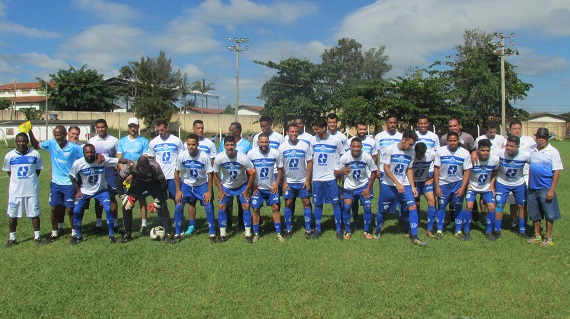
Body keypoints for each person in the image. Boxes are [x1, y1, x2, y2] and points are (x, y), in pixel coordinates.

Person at [69, 144, 131, 245]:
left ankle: (111, 235)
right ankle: (78, 236)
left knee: (107, 209)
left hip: (101, 190)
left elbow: (117, 160)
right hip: (85, 191)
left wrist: (128, 161)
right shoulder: (78, 163)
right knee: (76, 211)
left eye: (91, 152)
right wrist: (78, 191)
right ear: (83, 153)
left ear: (95, 152)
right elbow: (72, 176)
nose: (89, 154)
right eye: (87, 152)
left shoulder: (102, 160)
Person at [29, 125, 83, 242]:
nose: (57, 138)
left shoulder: (74, 148)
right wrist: (29, 131)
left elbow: (88, 155)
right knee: (54, 208)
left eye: (59, 135)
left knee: (69, 209)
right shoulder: (52, 144)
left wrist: (98, 156)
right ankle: (54, 233)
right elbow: (36, 145)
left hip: (69, 183)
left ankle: (74, 233)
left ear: (65, 135)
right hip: (55, 183)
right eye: (55, 136)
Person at [376, 130, 426, 246]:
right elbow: (386, 168)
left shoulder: (412, 153)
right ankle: (378, 230)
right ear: (403, 139)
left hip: (405, 184)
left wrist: (413, 187)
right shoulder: (390, 149)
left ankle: (414, 236)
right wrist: (397, 183)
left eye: (413, 144)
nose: (411, 147)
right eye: (409, 144)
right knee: (382, 210)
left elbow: (409, 169)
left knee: (412, 206)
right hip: (389, 184)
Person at [115, 156, 174, 243]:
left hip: (154, 183)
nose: (144, 171)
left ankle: (169, 233)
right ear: (137, 166)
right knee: (126, 206)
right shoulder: (131, 166)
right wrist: (123, 197)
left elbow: (162, 183)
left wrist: (160, 199)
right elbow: (118, 180)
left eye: (146, 168)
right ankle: (127, 233)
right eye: (142, 169)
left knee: (163, 205)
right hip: (138, 183)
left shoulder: (155, 166)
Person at [3, 133, 44, 247]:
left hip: (31, 190)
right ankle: (12, 238)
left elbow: (37, 171)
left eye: (24, 141)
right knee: (12, 215)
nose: (21, 143)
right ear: (16, 142)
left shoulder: (35, 154)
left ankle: (37, 237)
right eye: (19, 141)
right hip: (15, 191)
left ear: (27, 141)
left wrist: (28, 181)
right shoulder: (9, 156)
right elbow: (9, 172)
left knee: (34, 214)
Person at [213, 136, 256, 243]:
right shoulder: (219, 157)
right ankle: (223, 234)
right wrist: (219, 189)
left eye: (232, 145)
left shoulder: (243, 157)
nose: (230, 147)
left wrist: (247, 189)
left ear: (235, 145)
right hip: (226, 186)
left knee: (246, 205)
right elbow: (215, 173)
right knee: (221, 206)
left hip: (241, 185)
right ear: (224, 146)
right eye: (227, 145)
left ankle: (248, 234)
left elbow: (252, 173)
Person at [174, 134, 216, 243]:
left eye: (193, 144)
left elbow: (210, 174)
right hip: (186, 185)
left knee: (208, 206)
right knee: (178, 206)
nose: (191, 147)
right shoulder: (181, 156)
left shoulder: (204, 156)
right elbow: (177, 172)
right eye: (189, 144)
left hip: (201, 184)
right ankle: (177, 233)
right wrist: (178, 190)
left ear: (197, 144)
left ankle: (212, 233)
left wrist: (209, 191)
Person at [334, 137, 378, 239]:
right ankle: (347, 230)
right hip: (349, 186)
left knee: (367, 207)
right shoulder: (345, 157)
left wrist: (368, 188)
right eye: (354, 146)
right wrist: (342, 171)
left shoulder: (366, 156)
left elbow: (374, 172)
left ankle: (366, 230)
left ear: (362, 147)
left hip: (363, 185)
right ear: (350, 147)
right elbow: (336, 171)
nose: (356, 149)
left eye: (358, 146)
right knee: (347, 207)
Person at [527, 128, 563, 247]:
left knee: (549, 213)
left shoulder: (553, 152)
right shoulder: (531, 149)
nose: (540, 140)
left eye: (543, 138)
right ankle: (537, 235)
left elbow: (556, 171)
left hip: (545, 187)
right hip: (532, 186)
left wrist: (552, 190)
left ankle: (548, 237)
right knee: (534, 212)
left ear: (547, 139)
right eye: (538, 137)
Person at [434, 131, 472, 240]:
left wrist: (463, 188)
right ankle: (439, 230)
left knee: (459, 207)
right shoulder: (441, 151)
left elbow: (467, 171)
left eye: (454, 140)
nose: (452, 143)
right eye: (450, 141)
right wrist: (437, 186)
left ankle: (458, 230)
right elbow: (436, 169)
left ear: (458, 141)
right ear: (447, 141)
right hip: (443, 184)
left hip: (458, 184)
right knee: (441, 206)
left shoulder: (464, 153)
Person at [311, 117, 345, 239]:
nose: (315, 131)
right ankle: (318, 229)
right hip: (317, 178)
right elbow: (310, 159)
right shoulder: (313, 141)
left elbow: (343, 156)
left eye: (317, 129)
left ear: (324, 128)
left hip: (331, 178)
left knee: (335, 204)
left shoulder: (335, 141)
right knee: (318, 204)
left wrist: (339, 170)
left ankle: (338, 229)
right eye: (314, 129)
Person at [278, 123, 313, 239]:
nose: (294, 134)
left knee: (306, 202)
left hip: (302, 180)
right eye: (291, 132)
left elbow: (309, 162)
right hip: (289, 181)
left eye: (296, 132)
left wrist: (308, 180)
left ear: (299, 132)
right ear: (287, 133)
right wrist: (284, 181)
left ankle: (308, 228)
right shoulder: (282, 147)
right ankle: (288, 228)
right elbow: (280, 166)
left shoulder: (304, 146)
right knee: (288, 203)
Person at [248, 133, 284, 242]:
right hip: (257, 188)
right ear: (258, 142)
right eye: (262, 142)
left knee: (276, 208)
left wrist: (277, 183)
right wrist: (252, 185)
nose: (264, 144)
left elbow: (280, 169)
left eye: (266, 142)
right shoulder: (251, 154)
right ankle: (256, 233)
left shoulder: (275, 153)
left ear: (269, 142)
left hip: (271, 187)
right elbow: (248, 171)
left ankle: (278, 232)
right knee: (255, 209)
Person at [460, 139, 499, 241]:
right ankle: (467, 230)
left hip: (486, 187)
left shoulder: (494, 159)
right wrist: (467, 183)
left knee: (491, 207)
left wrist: (492, 184)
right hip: (472, 187)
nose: (485, 153)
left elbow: (495, 171)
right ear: (478, 150)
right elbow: (465, 170)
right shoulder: (471, 159)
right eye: (483, 151)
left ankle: (489, 231)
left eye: (487, 151)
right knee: (469, 206)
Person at [116, 117, 150, 235]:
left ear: (138, 127)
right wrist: (125, 174)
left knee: (142, 199)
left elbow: (144, 160)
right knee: (126, 201)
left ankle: (144, 224)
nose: (132, 128)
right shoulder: (122, 141)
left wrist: (134, 174)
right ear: (128, 127)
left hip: (139, 175)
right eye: (130, 126)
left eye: (134, 126)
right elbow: (119, 160)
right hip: (125, 176)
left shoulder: (144, 141)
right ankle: (127, 226)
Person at [183, 120, 217, 236]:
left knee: (208, 203)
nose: (201, 130)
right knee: (191, 204)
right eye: (198, 128)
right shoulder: (186, 144)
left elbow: (213, 162)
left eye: (202, 128)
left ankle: (211, 226)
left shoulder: (209, 143)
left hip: (205, 181)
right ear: (193, 129)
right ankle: (191, 226)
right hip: (190, 181)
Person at [493, 135, 530, 239]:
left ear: (517, 147)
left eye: (512, 146)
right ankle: (497, 230)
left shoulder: (525, 155)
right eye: (507, 145)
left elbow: (535, 164)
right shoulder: (499, 152)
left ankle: (522, 230)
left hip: (519, 184)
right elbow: (487, 157)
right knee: (500, 205)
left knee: (522, 206)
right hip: (502, 183)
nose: (508, 148)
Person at [470, 121, 505, 230]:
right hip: (478, 170)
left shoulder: (501, 139)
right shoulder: (479, 139)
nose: (493, 133)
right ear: (486, 130)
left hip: (491, 168)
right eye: (491, 132)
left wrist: (492, 184)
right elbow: (475, 151)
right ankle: (482, 216)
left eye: (495, 131)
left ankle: (491, 227)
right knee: (475, 200)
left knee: (490, 199)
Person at [218, 122, 252, 231]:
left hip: (242, 179)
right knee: (227, 203)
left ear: (237, 131)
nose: (229, 132)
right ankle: (227, 224)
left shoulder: (246, 144)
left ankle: (242, 224)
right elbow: (219, 160)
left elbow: (250, 161)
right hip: (227, 179)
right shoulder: (223, 143)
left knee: (242, 202)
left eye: (231, 130)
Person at [88, 119, 120, 234]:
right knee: (98, 200)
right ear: (96, 128)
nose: (101, 129)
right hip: (97, 175)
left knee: (112, 198)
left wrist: (118, 168)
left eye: (102, 127)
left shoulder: (114, 140)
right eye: (98, 127)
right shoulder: (92, 140)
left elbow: (119, 155)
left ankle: (115, 223)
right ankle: (99, 223)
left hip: (110, 175)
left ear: (106, 126)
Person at [347, 122, 378, 227]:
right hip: (353, 175)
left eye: (364, 129)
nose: (362, 131)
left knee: (367, 200)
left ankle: (368, 223)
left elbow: (374, 157)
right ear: (356, 129)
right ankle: (355, 219)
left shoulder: (371, 142)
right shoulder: (349, 142)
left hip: (367, 176)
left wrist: (372, 169)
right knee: (354, 200)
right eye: (360, 129)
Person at [507, 119, 536, 228]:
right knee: (513, 201)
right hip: (511, 176)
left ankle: (524, 221)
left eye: (519, 128)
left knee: (525, 200)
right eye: (515, 128)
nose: (517, 131)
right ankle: (514, 221)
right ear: (510, 129)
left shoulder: (529, 140)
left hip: (526, 174)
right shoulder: (507, 141)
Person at [148, 120, 185, 200]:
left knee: (178, 200)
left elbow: (182, 157)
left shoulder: (177, 141)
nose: (160, 132)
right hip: (159, 176)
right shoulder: (153, 142)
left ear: (167, 128)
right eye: (158, 131)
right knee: (159, 201)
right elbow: (150, 159)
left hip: (173, 176)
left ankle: (176, 213)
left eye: (162, 130)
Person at [411, 142, 437, 238]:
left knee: (432, 201)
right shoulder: (411, 156)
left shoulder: (431, 155)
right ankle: (412, 225)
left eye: (423, 154)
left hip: (425, 182)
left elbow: (440, 165)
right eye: (419, 154)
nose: (421, 156)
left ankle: (430, 229)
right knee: (414, 204)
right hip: (414, 183)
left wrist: (433, 178)